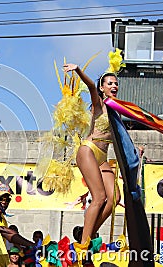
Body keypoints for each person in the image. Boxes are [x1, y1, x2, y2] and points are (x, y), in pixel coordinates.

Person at [63, 63, 121, 244]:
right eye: (110, 83)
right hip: (89, 150)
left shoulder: (118, 111)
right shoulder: (99, 105)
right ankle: (83, 245)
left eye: (116, 84)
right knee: (99, 197)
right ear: (102, 88)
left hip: (103, 157)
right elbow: (90, 86)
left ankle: (86, 233)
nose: (114, 86)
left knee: (114, 198)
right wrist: (78, 69)